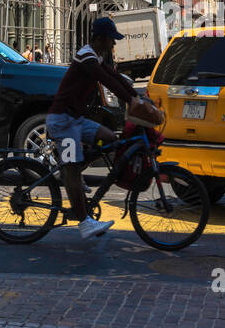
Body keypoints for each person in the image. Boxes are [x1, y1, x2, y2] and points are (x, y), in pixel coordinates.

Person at [46, 16, 157, 240]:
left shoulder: (95, 55)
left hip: (75, 120)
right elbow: (106, 80)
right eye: (111, 40)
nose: (113, 44)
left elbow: (115, 75)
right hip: (63, 122)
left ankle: (71, 170)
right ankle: (84, 222)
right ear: (99, 39)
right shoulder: (86, 57)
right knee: (73, 172)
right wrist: (130, 101)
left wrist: (139, 97)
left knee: (110, 140)